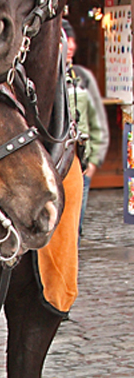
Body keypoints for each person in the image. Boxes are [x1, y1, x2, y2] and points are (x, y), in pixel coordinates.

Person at [63, 22, 109, 237]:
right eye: (64, 39)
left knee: (75, 227)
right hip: (54, 161)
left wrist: (93, 162)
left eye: (71, 40)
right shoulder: (43, 77)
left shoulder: (82, 77)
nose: (69, 45)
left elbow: (97, 121)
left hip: (80, 160)